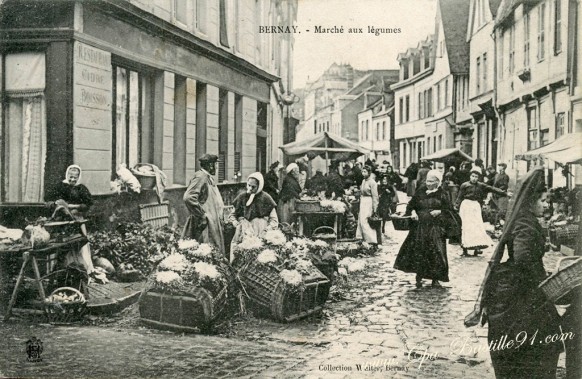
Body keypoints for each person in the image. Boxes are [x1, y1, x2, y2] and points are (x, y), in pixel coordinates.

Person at [465, 167, 562, 378]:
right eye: (543, 201)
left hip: (516, 285)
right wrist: (543, 278)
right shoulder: (526, 223)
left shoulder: (523, 219)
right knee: (535, 343)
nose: (547, 205)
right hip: (523, 290)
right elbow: (523, 258)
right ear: (530, 201)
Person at [394, 170, 452, 288]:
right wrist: (413, 212)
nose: (428, 183)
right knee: (419, 251)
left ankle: (435, 279)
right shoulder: (421, 191)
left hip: (435, 227)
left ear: (437, 182)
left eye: (431, 181)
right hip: (420, 227)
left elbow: (449, 211)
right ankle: (419, 277)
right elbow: (411, 205)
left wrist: (440, 211)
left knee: (436, 251)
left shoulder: (443, 194)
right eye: (427, 180)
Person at [45, 165, 96, 275]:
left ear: (79, 177)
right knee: (59, 244)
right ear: (67, 175)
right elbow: (48, 201)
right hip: (61, 220)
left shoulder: (81, 188)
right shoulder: (59, 186)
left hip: (76, 219)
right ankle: (58, 272)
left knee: (78, 244)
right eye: (70, 176)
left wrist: (75, 207)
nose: (72, 179)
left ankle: (81, 270)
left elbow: (88, 204)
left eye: (75, 177)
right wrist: (56, 205)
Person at [455, 170, 508, 256]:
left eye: (476, 177)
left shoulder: (481, 185)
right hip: (466, 206)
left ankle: (477, 248)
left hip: (475, 206)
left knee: (477, 226)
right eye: (473, 176)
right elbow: (459, 197)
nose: (474, 178)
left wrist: (503, 193)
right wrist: (456, 206)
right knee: (466, 226)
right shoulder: (464, 185)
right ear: (470, 176)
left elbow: (491, 188)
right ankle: (465, 249)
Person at [182, 154, 225, 254]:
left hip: (213, 223)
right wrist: (202, 215)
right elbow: (188, 197)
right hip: (205, 225)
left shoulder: (208, 178)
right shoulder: (201, 177)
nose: (217, 168)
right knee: (205, 252)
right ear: (210, 165)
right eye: (216, 165)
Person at [229, 173, 278, 259]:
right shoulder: (241, 197)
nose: (250, 189)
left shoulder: (266, 198)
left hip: (260, 230)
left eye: (253, 187)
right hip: (243, 231)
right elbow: (232, 215)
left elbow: (274, 220)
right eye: (249, 185)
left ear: (259, 186)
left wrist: (267, 229)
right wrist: (235, 222)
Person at [355, 165, 379, 246]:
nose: (363, 173)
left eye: (365, 172)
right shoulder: (363, 181)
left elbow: (375, 197)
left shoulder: (373, 183)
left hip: (369, 202)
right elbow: (362, 191)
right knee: (360, 220)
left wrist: (374, 209)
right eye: (362, 171)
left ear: (369, 172)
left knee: (366, 220)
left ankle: (371, 240)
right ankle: (361, 237)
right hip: (363, 201)